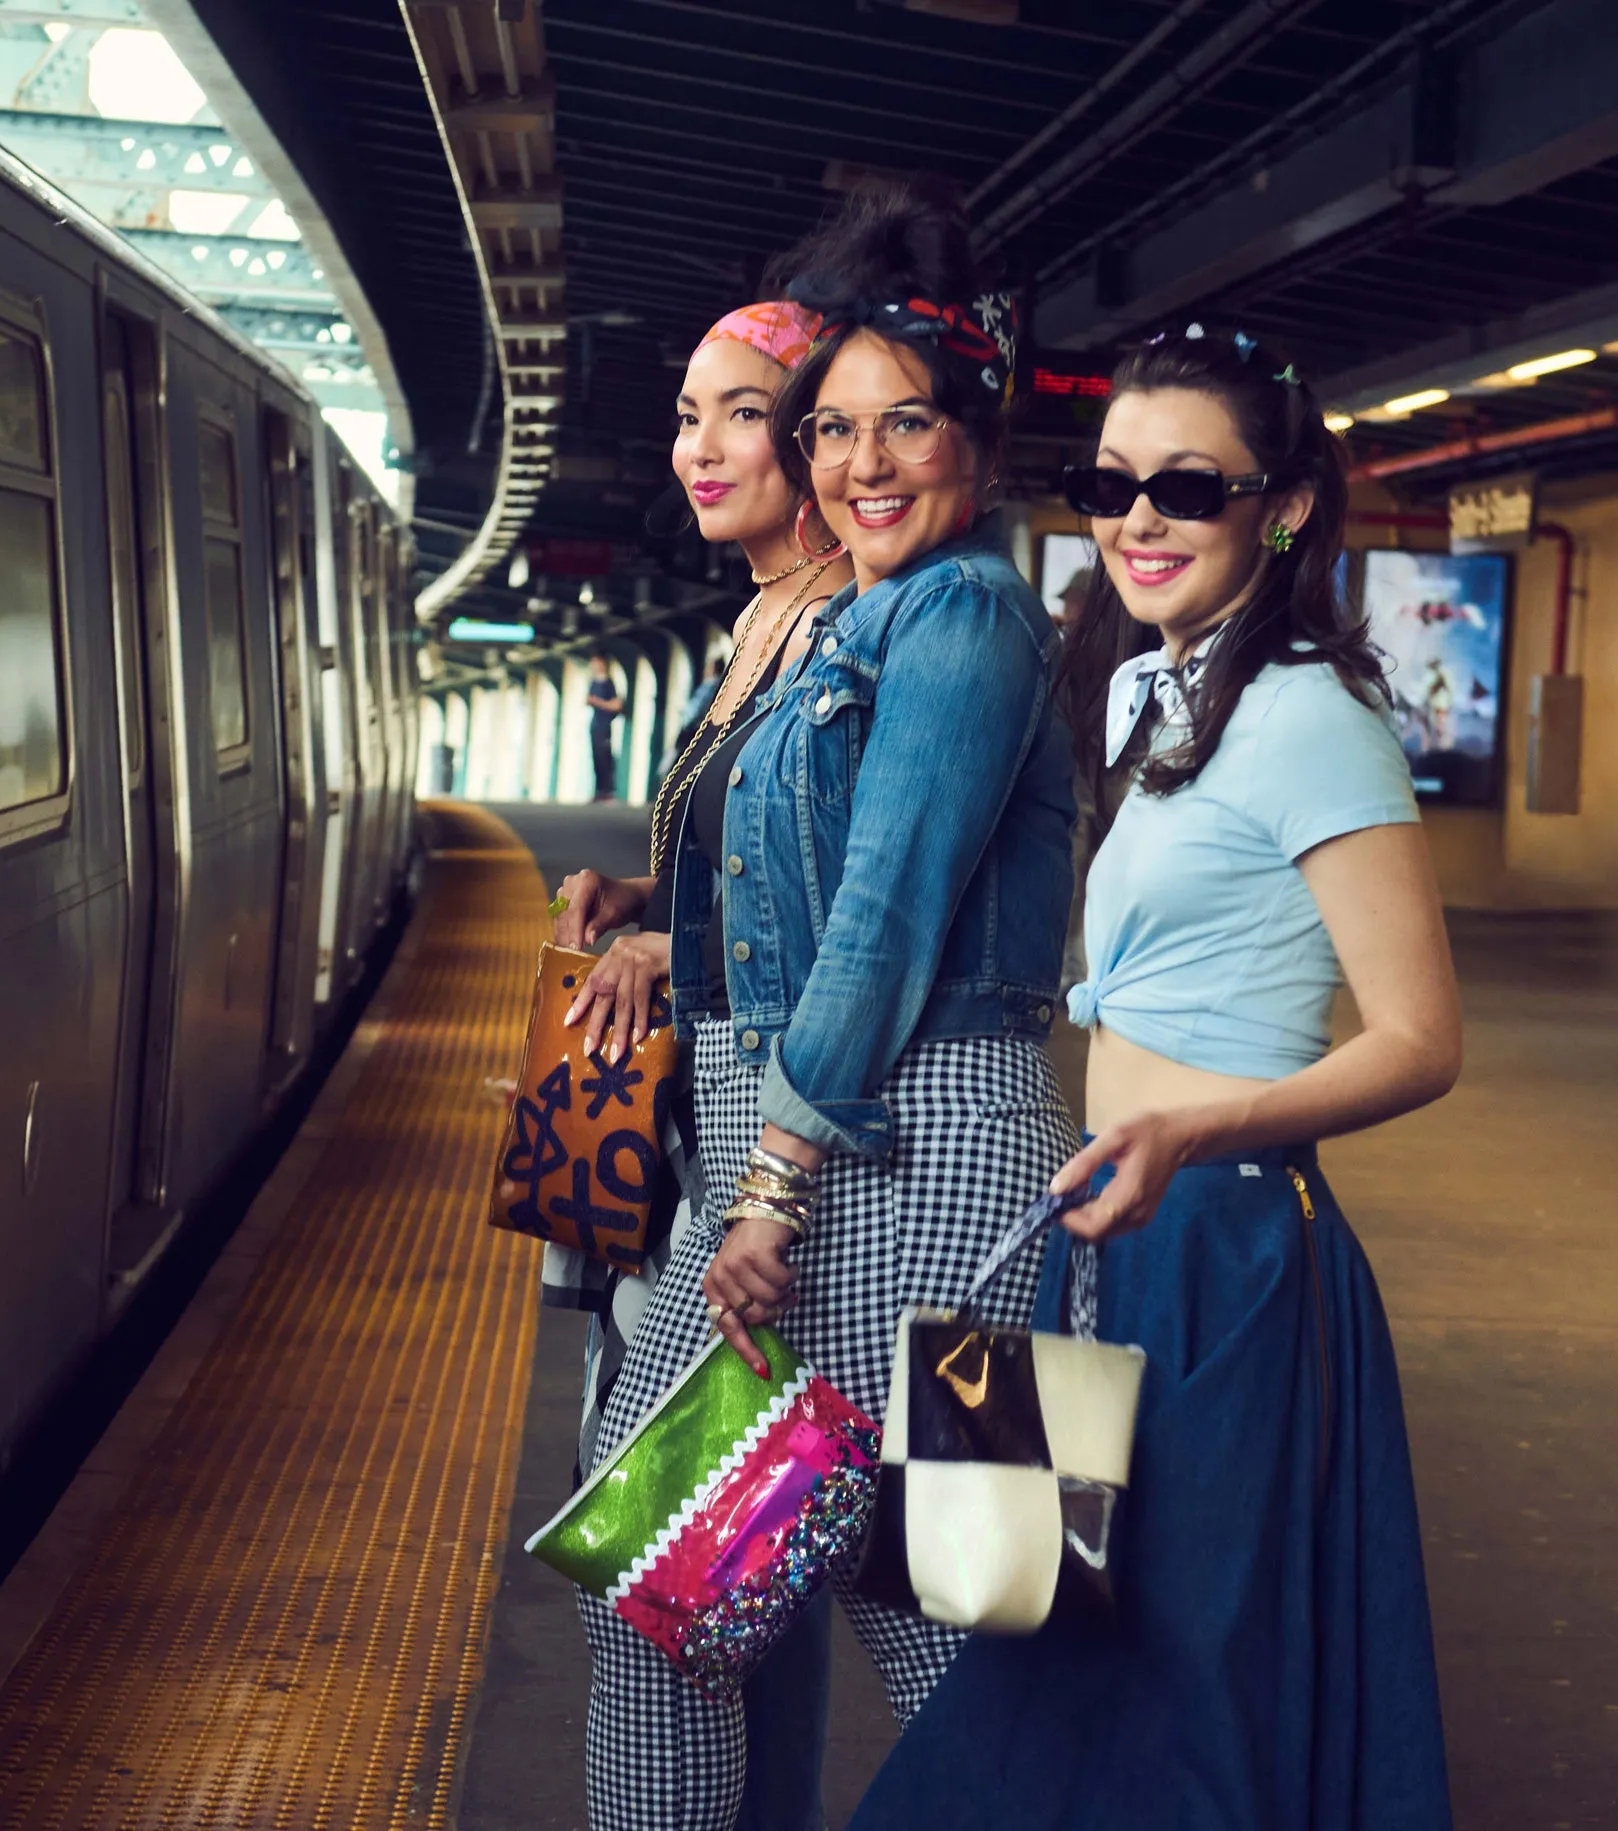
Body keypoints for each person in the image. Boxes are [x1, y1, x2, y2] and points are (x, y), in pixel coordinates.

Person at [850, 325, 1458, 1830]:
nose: (1138, 518)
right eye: (1110, 482)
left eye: (1187, 486)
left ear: (1286, 505)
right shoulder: (1150, 691)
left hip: (1231, 1251)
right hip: (1117, 1231)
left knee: (1176, 1688)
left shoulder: (1313, 716)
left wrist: (1191, 1127)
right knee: (1056, 1663)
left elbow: (1420, 1038)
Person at [554, 180, 1080, 1827]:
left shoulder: (967, 613)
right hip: (833, 1156)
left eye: (897, 425)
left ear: (971, 442)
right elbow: (786, 890)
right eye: (832, 427)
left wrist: (768, 1180)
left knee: (973, 1635)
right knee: (675, 1597)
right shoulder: (854, 616)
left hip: (931, 1178)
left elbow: (879, 914)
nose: (858, 463)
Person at [547, 290, 847, 1831]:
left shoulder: (858, 631)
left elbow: (856, 911)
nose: (702, 446)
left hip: (798, 1185)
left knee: (689, 1573)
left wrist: (693, 949)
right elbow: (760, 871)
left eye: (745, 411)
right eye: (687, 413)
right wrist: (650, 907)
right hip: (708, 1165)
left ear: (816, 442)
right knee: (722, 1586)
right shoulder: (755, 626)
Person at [586, 656, 627, 800]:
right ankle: (599, 791)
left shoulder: (608, 684)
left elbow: (617, 705)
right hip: (595, 725)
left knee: (605, 758)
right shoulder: (593, 682)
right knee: (596, 758)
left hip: (604, 726)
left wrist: (597, 702)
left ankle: (608, 791)